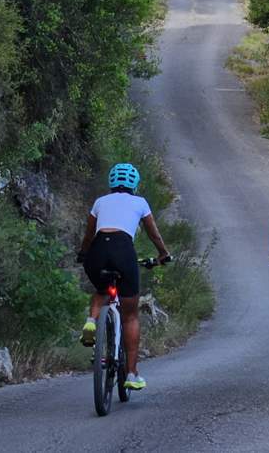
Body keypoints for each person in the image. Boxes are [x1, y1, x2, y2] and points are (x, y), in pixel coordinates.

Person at [77, 162, 171, 392]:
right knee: (130, 315)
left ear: (111, 182)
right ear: (135, 184)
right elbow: (154, 235)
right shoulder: (140, 202)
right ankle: (131, 373)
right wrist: (163, 254)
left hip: (98, 251)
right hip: (123, 250)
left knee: (101, 291)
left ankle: (91, 321)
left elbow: (89, 235)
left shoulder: (100, 202)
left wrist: (83, 254)